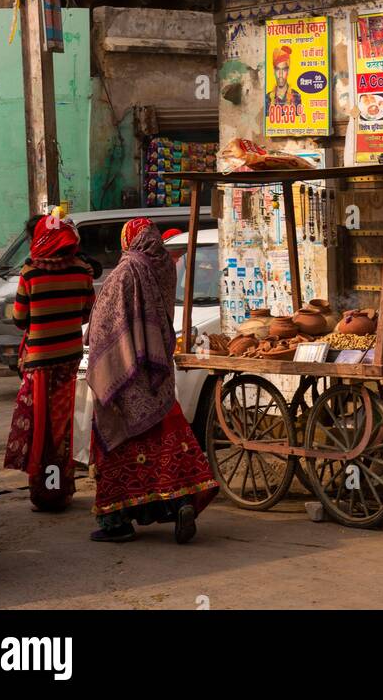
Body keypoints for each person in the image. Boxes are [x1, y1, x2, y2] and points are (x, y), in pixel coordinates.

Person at [86, 217, 218, 544]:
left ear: (128, 239)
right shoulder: (164, 266)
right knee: (166, 446)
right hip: (157, 373)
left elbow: (104, 328)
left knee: (116, 444)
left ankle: (117, 522)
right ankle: (181, 502)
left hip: (126, 376)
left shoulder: (123, 274)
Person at [3, 215, 96, 511]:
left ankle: (46, 494)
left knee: (41, 431)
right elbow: (85, 314)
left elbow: (20, 320)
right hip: (68, 360)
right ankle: (59, 490)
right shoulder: (83, 271)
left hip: (38, 363)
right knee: (61, 429)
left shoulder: (30, 273)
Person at [265, 44, 303, 120]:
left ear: (288, 71)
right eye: (278, 69)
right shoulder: (267, 98)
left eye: (284, 70)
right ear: (274, 71)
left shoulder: (296, 96)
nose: (281, 74)